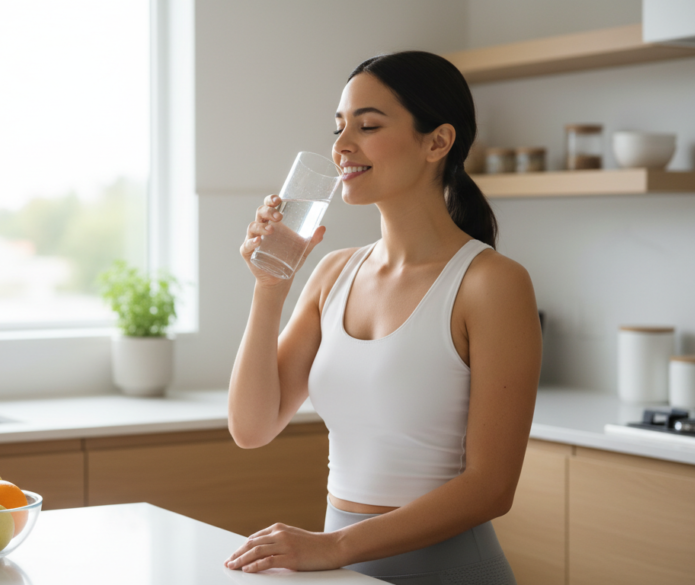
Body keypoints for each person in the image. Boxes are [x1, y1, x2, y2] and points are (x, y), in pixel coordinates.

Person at [223, 51, 542, 584]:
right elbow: (252, 427)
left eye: (368, 126)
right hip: (346, 574)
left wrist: (332, 547)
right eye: (340, 126)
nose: (342, 145)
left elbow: (491, 488)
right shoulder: (333, 272)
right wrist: (270, 288)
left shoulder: (492, 283)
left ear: (437, 142)